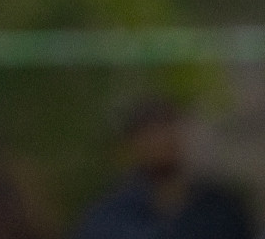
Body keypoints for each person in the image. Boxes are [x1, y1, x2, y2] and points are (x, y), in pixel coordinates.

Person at [73, 97, 253, 239]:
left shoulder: (221, 209)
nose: (161, 141)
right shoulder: (110, 217)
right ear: (133, 143)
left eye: (168, 128)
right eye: (150, 133)